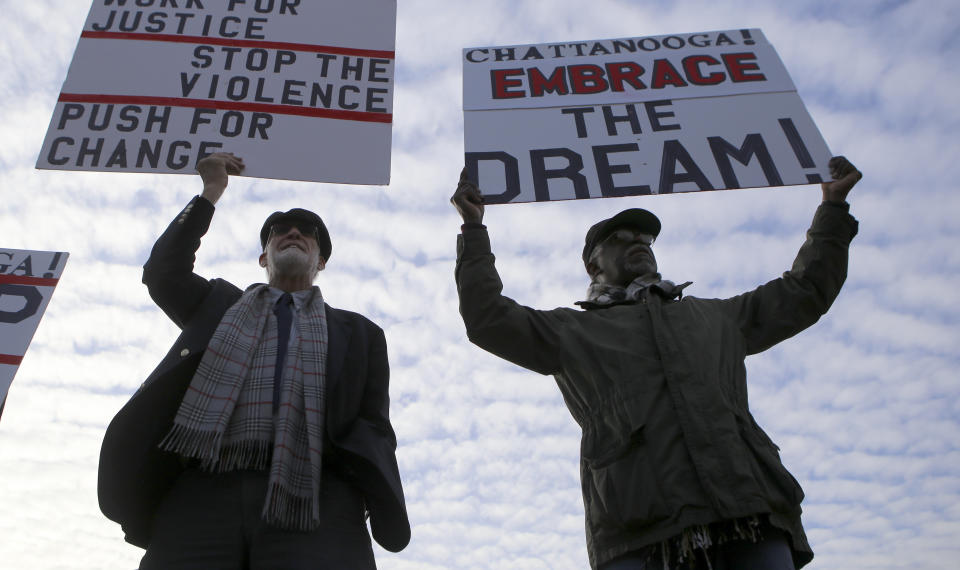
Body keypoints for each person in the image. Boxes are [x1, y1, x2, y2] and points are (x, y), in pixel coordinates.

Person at [451, 157, 862, 569]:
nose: (639, 242)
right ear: (594, 265)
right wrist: (473, 228)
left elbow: (804, 291)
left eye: (645, 238)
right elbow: (488, 318)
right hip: (638, 531)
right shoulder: (571, 332)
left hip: (749, 515)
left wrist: (833, 207)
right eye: (622, 237)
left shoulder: (715, 317)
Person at [99, 152, 409, 569]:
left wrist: (361, 483)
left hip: (318, 498)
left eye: (308, 232)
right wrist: (210, 193)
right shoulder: (219, 305)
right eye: (280, 230)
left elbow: (373, 421)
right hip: (201, 492)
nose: (293, 232)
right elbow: (163, 272)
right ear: (264, 257)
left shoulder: (361, 333)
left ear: (320, 262)